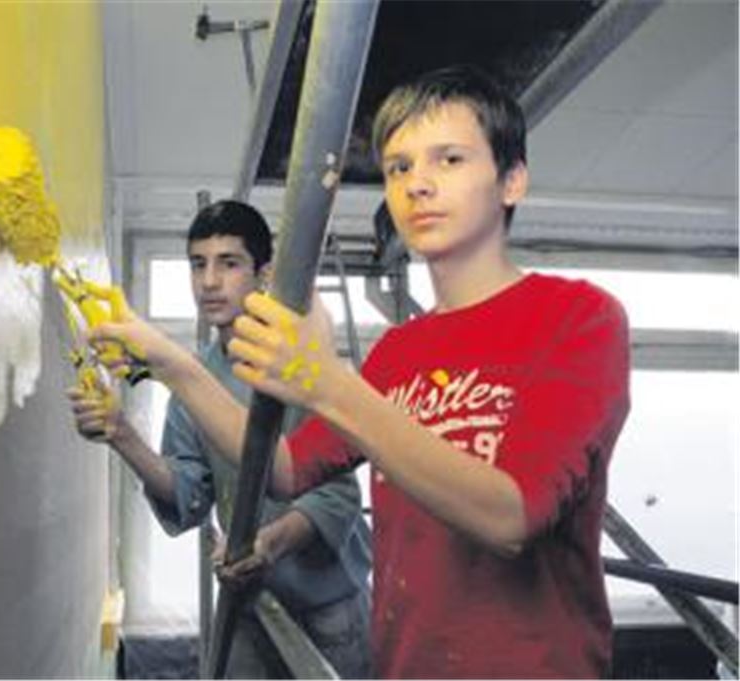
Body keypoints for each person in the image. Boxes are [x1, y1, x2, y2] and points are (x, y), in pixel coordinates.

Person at [88, 65, 631, 678]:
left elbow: (511, 518)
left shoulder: (577, 317)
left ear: (512, 180)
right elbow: (285, 469)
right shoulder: (399, 352)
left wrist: (328, 383)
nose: (417, 184)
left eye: (449, 159)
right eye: (399, 167)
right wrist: (169, 362)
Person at [68, 200, 372, 679]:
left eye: (228, 263)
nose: (209, 281)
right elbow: (187, 496)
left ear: (263, 274)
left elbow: (337, 495)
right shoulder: (195, 379)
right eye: (198, 264)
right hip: (249, 602)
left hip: (329, 610)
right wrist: (121, 434)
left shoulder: (302, 365)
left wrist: (268, 543)